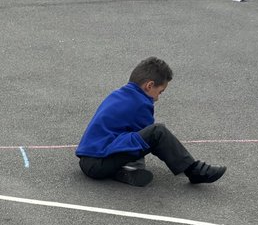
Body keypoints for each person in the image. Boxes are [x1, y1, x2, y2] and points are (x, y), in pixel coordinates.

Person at [75, 57, 225, 188]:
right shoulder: (140, 102)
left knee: (148, 134)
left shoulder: (120, 94)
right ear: (149, 85)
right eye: (159, 92)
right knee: (158, 132)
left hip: (88, 162)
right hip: (98, 163)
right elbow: (151, 140)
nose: (157, 98)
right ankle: (194, 170)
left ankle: (123, 172)